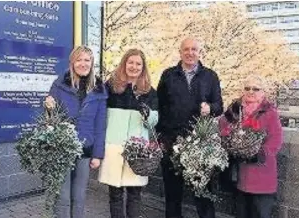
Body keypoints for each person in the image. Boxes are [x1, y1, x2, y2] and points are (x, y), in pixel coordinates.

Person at [156, 37, 224, 218]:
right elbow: (159, 106)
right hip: (172, 144)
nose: (190, 53)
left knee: (203, 196)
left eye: (194, 49)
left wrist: (210, 108)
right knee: (172, 196)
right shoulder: (168, 75)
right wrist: (161, 138)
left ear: (199, 52)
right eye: (186, 49)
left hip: (200, 145)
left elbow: (219, 106)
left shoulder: (210, 76)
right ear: (180, 52)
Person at [44, 46, 108, 218]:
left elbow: (100, 125)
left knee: (79, 197)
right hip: (63, 147)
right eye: (79, 60)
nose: (83, 64)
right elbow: (49, 118)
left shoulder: (99, 88)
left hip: (85, 149)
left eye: (87, 60)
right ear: (72, 62)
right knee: (63, 197)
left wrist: (97, 155)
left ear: (92, 63)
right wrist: (48, 107)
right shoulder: (59, 84)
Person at [98, 49, 159, 218]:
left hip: (138, 150)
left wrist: (148, 114)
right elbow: (99, 111)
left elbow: (154, 120)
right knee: (115, 194)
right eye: (130, 62)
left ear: (143, 67)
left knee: (134, 194)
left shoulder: (149, 92)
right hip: (114, 146)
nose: (134, 66)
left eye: (138, 63)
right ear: (124, 63)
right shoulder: (111, 86)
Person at [219, 74, 283, 218]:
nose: (251, 92)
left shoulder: (269, 112)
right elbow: (223, 127)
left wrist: (258, 154)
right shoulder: (235, 110)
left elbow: (276, 140)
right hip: (241, 176)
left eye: (256, 88)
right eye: (247, 88)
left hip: (262, 176)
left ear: (263, 92)